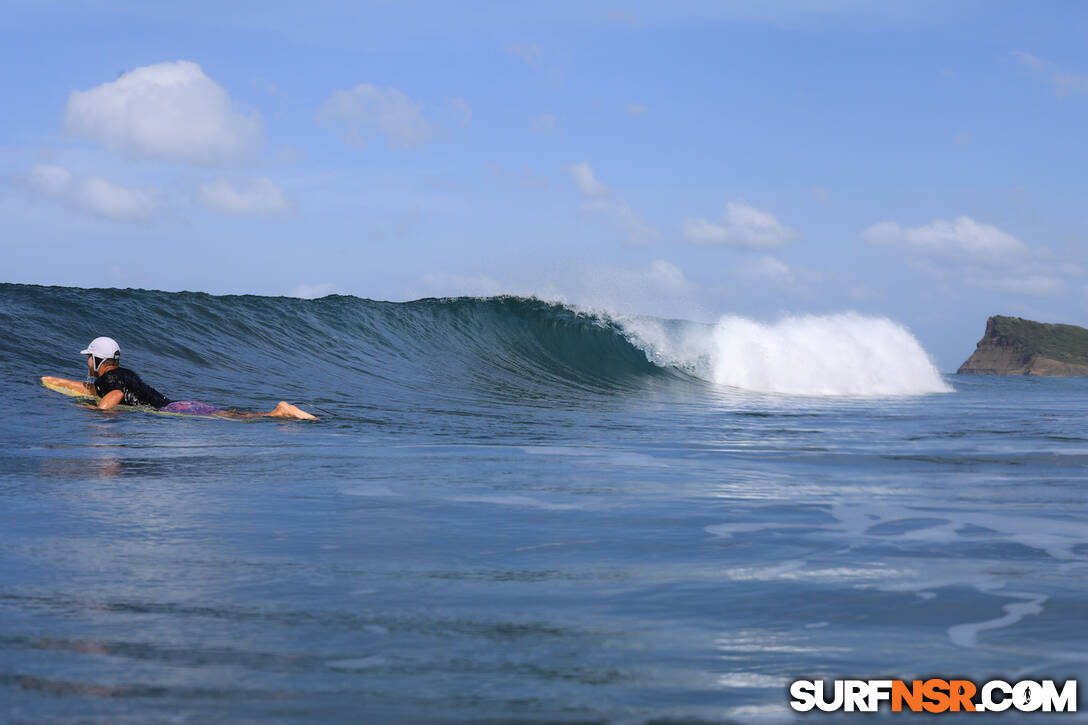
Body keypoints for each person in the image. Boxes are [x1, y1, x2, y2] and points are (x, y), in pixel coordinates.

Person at [42, 336, 317, 420]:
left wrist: (96, 412)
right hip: (179, 404)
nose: (87, 361)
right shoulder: (122, 374)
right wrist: (53, 381)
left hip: (171, 411)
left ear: (99, 361)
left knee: (231, 417)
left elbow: (110, 397)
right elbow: (92, 388)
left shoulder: (107, 382)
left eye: (89, 357)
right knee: (230, 414)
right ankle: (279, 411)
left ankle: (277, 413)